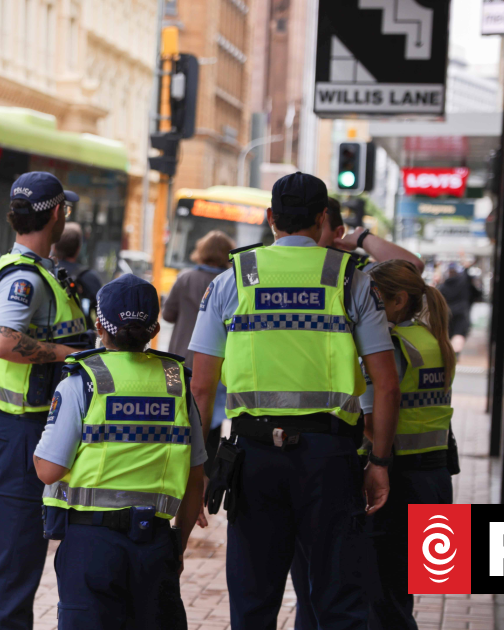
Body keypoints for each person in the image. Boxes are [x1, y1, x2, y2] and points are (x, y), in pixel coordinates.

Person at [188, 172, 401, 630]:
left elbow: (201, 388)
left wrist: (197, 468)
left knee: (253, 600)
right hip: (331, 462)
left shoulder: (232, 280)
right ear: (323, 218)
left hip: (253, 460)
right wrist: (379, 461)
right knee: (338, 601)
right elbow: (386, 384)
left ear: (271, 219)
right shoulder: (351, 280)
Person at [34, 273, 207, 629]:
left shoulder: (82, 381)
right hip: (155, 544)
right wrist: (178, 544)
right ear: (153, 329)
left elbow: (48, 470)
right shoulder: (176, 384)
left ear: (100, 326)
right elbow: (195, 479)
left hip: (91, 546)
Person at [290, 197, 423, 630]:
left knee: (361, 591)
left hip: (384, 466)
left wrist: (359, 239)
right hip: (422, 469)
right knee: (387, 592)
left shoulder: (356, 285)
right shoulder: (416, 333)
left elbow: (412, 266)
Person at [0, 171, 91, 630]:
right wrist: (65, 354)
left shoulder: (34, 270)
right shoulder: (23, 277)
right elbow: (2, 341)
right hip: (19, 432)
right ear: (58, 214)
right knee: (13, 565)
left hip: (23, 431)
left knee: (19, 561)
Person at [360, 260, 456, 630]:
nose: (363, 306)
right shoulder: (432, 340)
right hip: (434, 477)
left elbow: (372, 419)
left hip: (396, 483)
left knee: (381, 600)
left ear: (397, 301)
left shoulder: (391, 346)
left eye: (372, 298)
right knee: (399, 594)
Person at [162, 229, 235, 470]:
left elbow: (168, 314)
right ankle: (204, 479)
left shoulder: (185, 279)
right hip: (216, 363)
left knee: (176, 416)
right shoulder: (230, 281)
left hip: (178, 364)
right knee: (209, 421)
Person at [53, 222, 103, 322]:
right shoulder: (90, 277)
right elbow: (102, 313)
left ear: (54, 247)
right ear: (78, 248)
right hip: (81, 334)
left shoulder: (47, 271)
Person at [437, 263, 480, 355]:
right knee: (459, 334)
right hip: (462, 312)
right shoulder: (463, 282)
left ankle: (447, 354)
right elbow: (476, 293)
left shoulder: (443, 286)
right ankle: (455, 354)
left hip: (447, 314)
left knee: (448, 334)